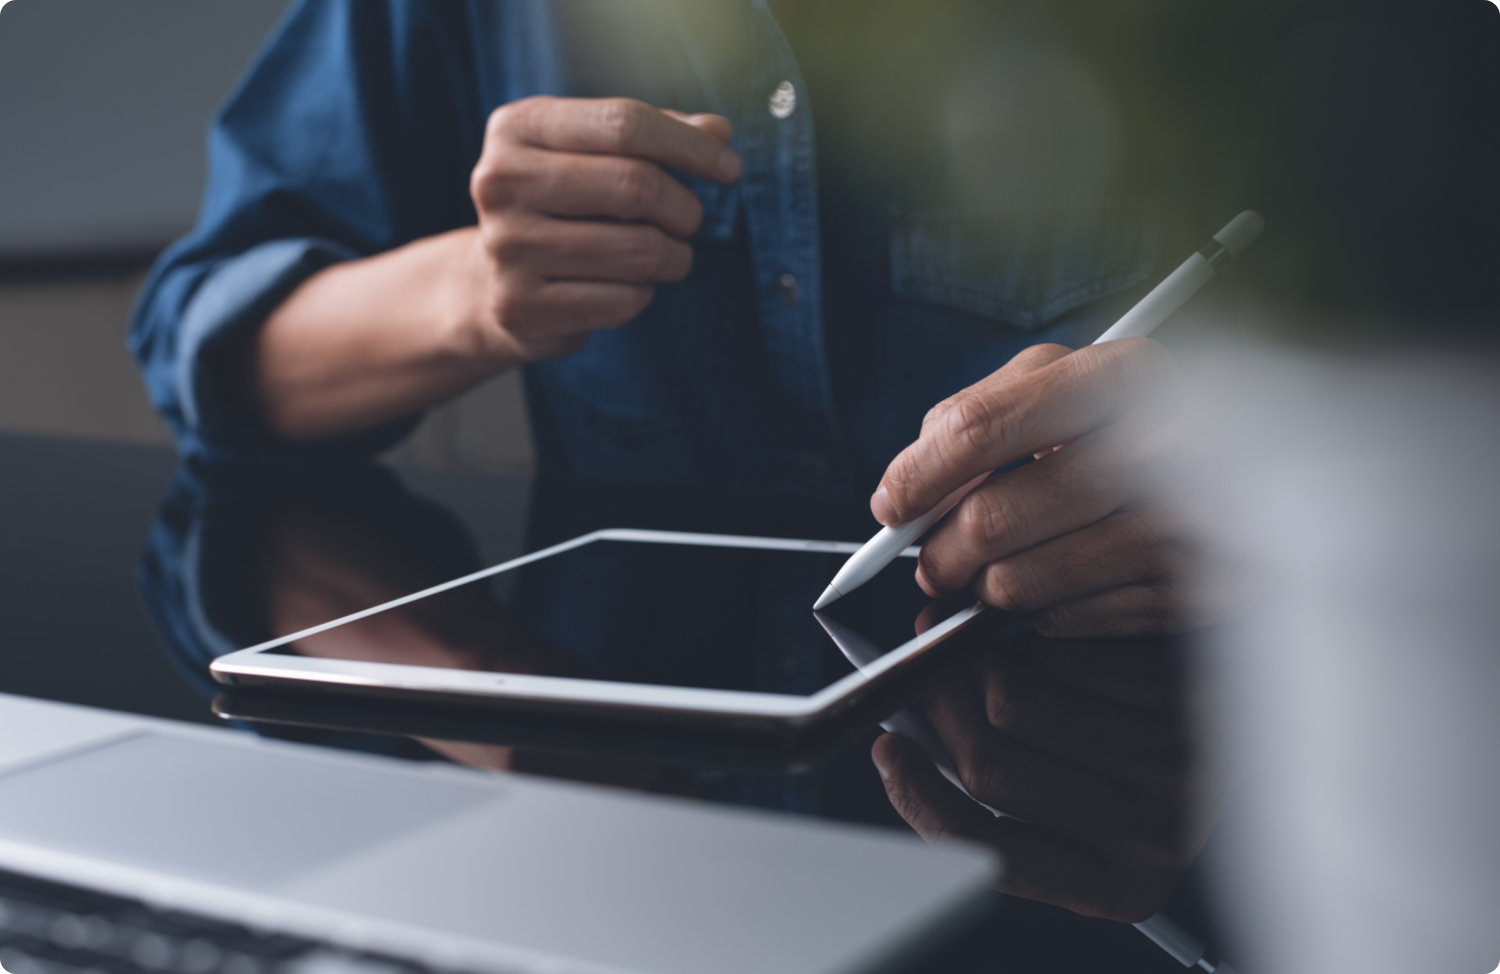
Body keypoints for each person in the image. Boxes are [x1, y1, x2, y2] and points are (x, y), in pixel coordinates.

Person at [129, 0, 1500, 926]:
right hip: (635, 882)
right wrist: (472, 293)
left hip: (1242, 821)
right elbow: (204, 350)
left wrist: (1266, 448)